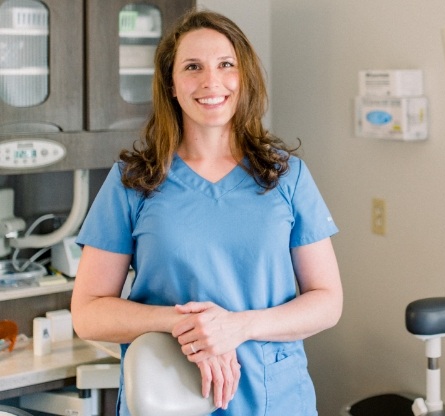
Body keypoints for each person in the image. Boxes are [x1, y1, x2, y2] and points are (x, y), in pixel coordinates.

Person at [71, 8, 342, 416]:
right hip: (166, 399)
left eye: (226, 65)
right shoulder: (134, 181)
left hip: (273, 400)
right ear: (172, 86)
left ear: (243, 77)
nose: (211, 81)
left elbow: (327, 301)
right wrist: (187, 326)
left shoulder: (287, 177)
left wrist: (238, 326)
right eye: (193, 67)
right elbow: (88, 313)